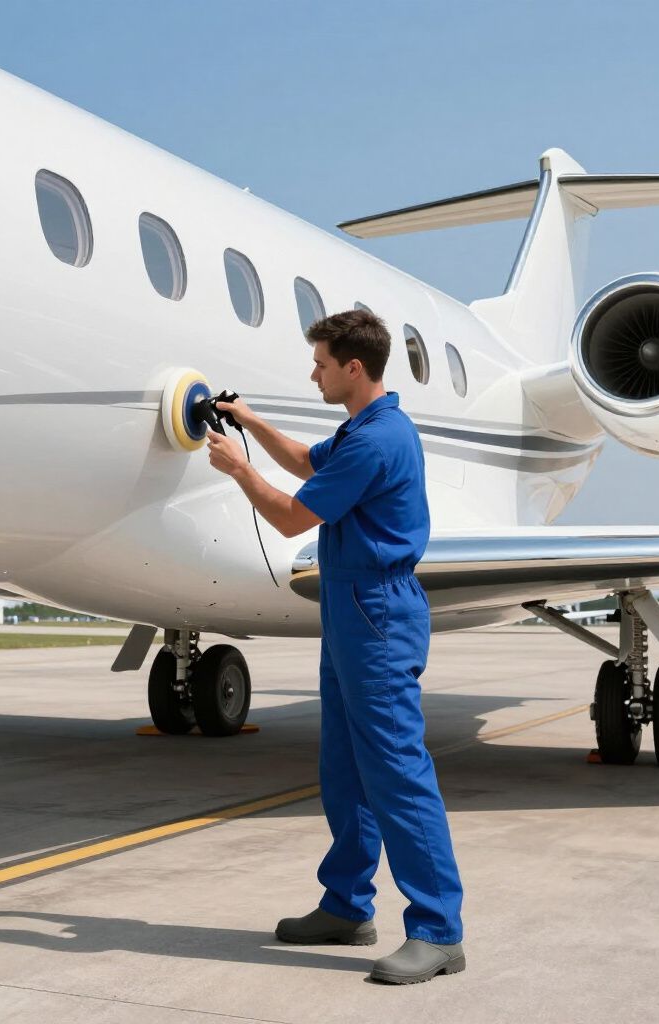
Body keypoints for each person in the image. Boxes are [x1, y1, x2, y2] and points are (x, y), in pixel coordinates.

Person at [205, 309, 465, 985]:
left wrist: (237, 469)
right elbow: (303, 462)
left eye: (320, 363)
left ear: (354, 368)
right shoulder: (362, 430)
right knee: (345, 767)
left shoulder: (378, 442)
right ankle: (348, 906)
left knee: (396, 772)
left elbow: (294, 514)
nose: (312, 372)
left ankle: (439, 931)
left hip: (375, 610)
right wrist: (251, 422)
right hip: (352, 608)